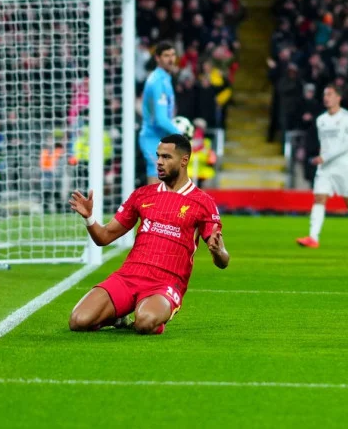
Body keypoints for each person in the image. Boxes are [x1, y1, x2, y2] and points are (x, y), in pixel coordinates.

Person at [68, 134, 229, 335]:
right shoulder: (142, 194)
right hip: (128, 276)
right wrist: (89, 219)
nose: (159, 162)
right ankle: (118, 314)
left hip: (165, 283)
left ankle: (149, 311)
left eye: (166, 157)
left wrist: (219, 251)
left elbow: (222, 261)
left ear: (184, 160)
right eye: (158, 156)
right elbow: (104, 237)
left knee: (144, 322)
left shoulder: (202, 202)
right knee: (78, 321)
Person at [296, 84, 348, 249]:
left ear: (338, 97)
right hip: (325, 168)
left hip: (344, 167)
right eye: (325, 94)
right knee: (319, 198)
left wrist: (324, 157)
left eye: (329, 94)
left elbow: (347, 144)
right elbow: (325, 144)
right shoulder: (321, 120)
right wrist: (322, 158)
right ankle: (313, 237)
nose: (326, 97)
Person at [139, 42, 179, 182]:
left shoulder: (165, 79)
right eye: (166, 55)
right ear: (157, 58)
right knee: (156, 190)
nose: (171, 59)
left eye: (173, 55)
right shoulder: (157, 82)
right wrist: (180, 134)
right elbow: (161, 119)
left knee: (164, 191)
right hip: (152, 138)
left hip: (161, 139)